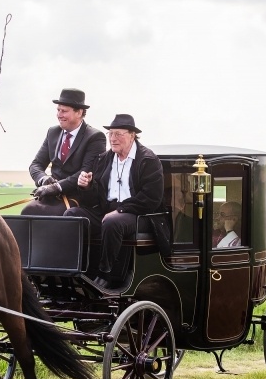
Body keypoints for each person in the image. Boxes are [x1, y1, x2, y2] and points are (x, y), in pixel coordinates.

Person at [65, 114, 164, 290]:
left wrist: (121, 209)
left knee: (112, 222)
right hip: (106, 211)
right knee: (72, 215)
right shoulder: (104, 159)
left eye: (118, 134)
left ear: (132, 135)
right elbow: (94, 200)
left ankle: (105, 274)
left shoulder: (148, 160)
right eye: (110, 134)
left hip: (137, 214)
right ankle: (75, 269)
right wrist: (86, 186)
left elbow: (151, 198)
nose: (113, 138)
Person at [21, 88, 106, 216]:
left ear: (79, 112)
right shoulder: (52, 132)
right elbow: (36, 165)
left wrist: (57, 187)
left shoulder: (95, 137)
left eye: (64, 111)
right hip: (50, 196)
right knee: (27, 211)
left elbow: (85, 172)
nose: (59, 115)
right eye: (58, 110)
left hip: (76, 197)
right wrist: (44, 179)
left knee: (54, 216)